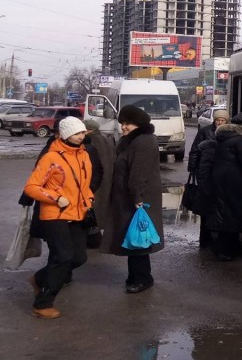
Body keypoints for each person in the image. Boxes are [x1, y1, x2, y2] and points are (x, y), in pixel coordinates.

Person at [23, 117, 94, 319]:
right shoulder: (50, 158)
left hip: (78, 213)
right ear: (65, 134)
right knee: (62, 257)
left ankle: (39, 278)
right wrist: (56, 198)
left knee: (79, 257)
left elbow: (84, 185)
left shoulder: (84, 156)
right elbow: (31, 187)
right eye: (77, 133)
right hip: (55, 214)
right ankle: (43, 303)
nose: (81, 137)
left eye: (83, 133)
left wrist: (89, 198)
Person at [97, 104, 164, 294]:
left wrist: (137, 197)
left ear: (139, 123)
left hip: (138, 199)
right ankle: (137, 276)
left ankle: (142, 279)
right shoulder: (133, 140)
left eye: (128, 124)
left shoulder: (143, 141)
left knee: (138, 237)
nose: (124, 127)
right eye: (122, 123)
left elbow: (139, 174)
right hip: (129, 197)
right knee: (133, 237)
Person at [206, 113, 242, 261]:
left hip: (221, 179)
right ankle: (224, 249)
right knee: (234, 213)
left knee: (226, 212)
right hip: (234, 181)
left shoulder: (225, 136)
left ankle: (233, 247)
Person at [188, 108, 228, 248]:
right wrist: (193, 167)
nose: (220, 123)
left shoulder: (227, 133)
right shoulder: (205, 131)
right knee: (205, 206)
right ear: (214, 120)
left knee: (216, 207)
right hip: (205, 172)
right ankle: (205, 241)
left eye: (223, 120)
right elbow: (195, 150)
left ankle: (215, 239)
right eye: (218, 120)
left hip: (219, 174)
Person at [82, 118, 115, 249]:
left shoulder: (89, 143)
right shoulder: (107, 140)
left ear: (89, 130)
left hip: (95, 181)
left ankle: (93, 238)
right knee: (102, 208)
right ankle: (97, 235)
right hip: (108, 179)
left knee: (92, 209)